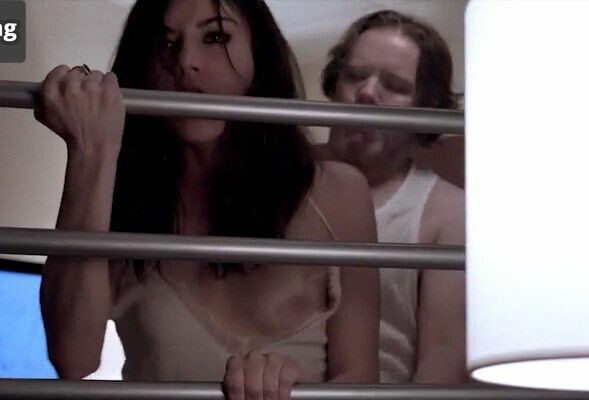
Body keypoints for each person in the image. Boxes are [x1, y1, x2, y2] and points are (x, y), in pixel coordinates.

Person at [35, 0, 381, 398]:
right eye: (166, 43)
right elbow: (72, 358)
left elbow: (359, 374)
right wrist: (90, 152)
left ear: (259, 55)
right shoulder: (119, 202)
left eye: (215, 36)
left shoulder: (337, 191)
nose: (186, 63)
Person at [314, 10, 466, 383]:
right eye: (354, 76)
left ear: (425, 110)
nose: (367, 93)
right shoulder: (281, 176)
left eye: (394, 85)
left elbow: (440, 366)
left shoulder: (447, 214)